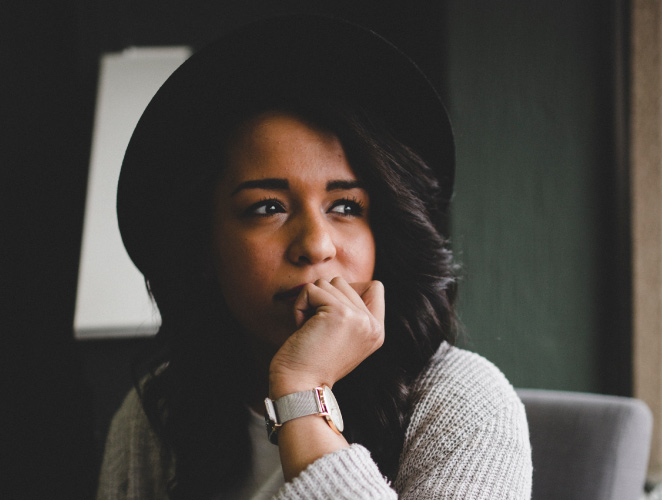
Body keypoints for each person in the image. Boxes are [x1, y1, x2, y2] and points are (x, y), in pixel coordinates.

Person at [98, 15, 532, 500]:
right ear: (204, 247)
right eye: (268, 208)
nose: (316, 245)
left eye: (346, 206)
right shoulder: (158, 414)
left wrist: (302, 395)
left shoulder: (464, 402)